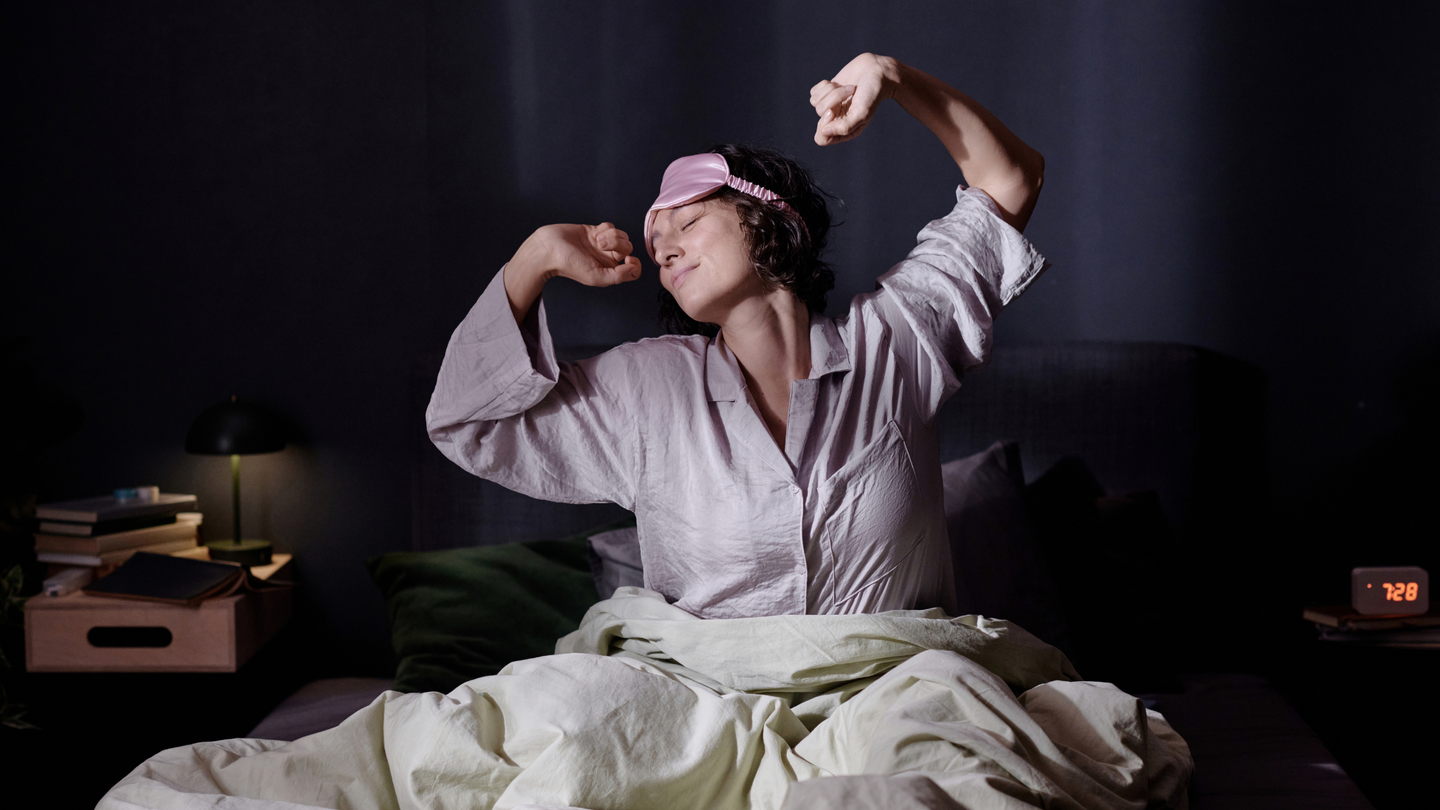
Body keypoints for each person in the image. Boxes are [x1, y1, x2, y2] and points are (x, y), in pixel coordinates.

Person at [427, 52, 1048, 621]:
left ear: (770, 218)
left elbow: (1013, 178)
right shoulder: (649, 386)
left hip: (887, 703)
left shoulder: (895, 341)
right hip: (711, 710)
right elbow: (465, 419)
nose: (665, 248)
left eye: (688, 221)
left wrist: (894, 76)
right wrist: (532, 260)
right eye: (655, 243)